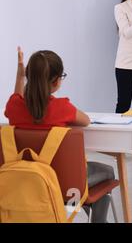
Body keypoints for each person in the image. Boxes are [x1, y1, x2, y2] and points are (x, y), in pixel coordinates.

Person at [4, 47, 115, 223]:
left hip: (26, 182)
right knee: (108, 171)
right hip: (63, 184)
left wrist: (19, 77)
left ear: (29, 78)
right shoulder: (62, 108)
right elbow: (85, 120)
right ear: (56, 82)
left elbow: (15, 99)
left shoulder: (14, 108)